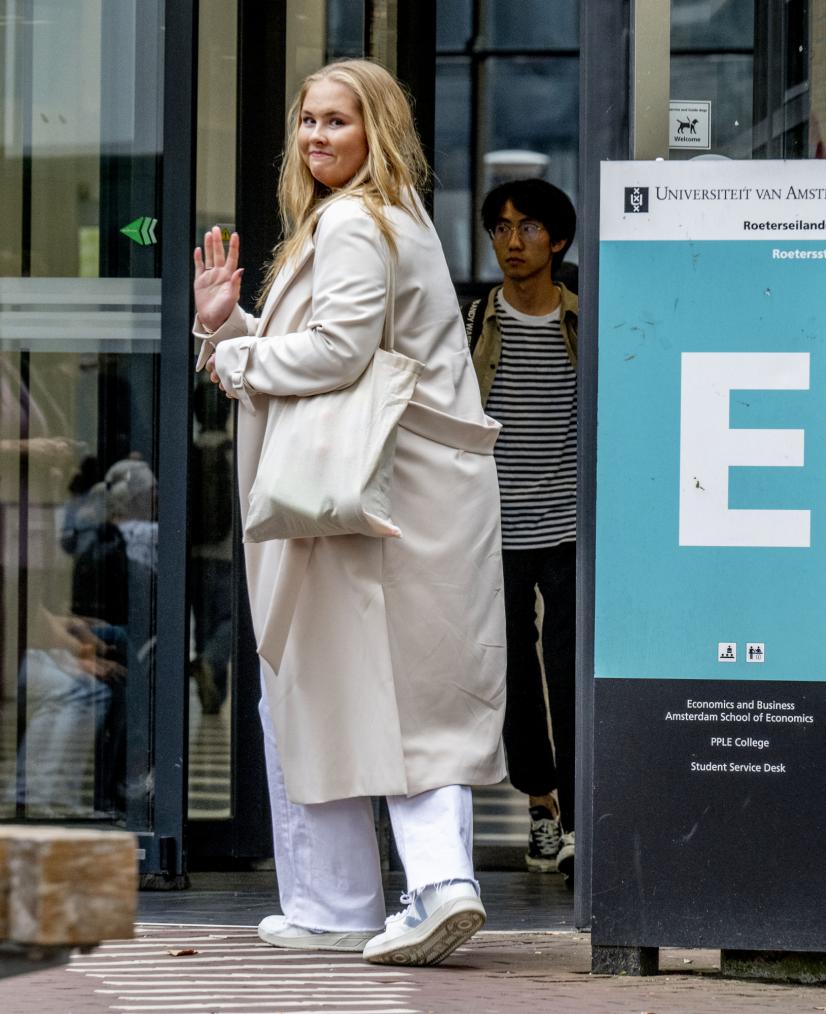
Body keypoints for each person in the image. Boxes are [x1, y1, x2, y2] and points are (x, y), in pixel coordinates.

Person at [192, 59, 506, 967]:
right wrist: (233, 325)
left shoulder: (354, 224)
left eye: (338, 120)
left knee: (362, 689)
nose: (317, 136)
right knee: (370, 687)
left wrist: (235, 360)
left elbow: (338, 351)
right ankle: (354, 897)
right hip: (392, 495)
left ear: (378, 131)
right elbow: (344, 343)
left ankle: (419, 887)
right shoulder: (379, 220)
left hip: (376, 500)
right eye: (307, 120)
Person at [462, 179, 578, 881]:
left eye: (528, 228)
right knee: (508, 674)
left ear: (558, 240)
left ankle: (582, 809)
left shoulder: (584, 321)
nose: (512, 242)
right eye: (501, 229)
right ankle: (542, 802)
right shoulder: (474, 324)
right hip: (490, 531)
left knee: (568, 674)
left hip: (568, 529)